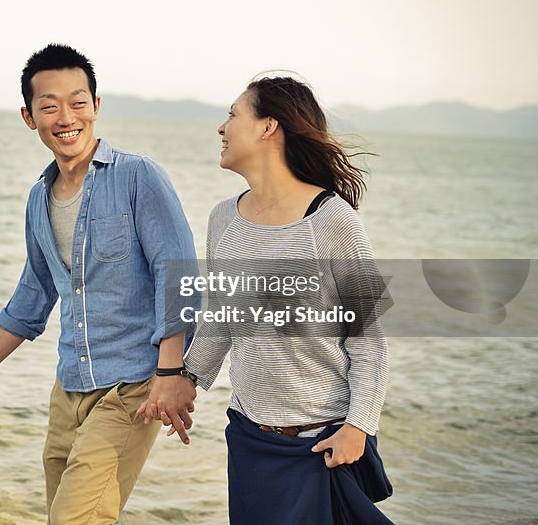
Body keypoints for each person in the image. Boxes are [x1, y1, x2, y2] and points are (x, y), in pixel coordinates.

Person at [0, 43, 199, 524]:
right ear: (29, 116)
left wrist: (170, 374)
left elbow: (179, 275)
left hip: (132, 385)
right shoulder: (38, 198)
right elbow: (35, 292)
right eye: (49, 105)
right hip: (69, 388)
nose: (67, 117)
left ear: (96, 107)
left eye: (78, 102)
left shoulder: (138, 177)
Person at [142, 75, 393, 524]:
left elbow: (369, 339)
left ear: (268, 127)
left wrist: (359, 426)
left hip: (321, 444)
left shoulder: (333, 220)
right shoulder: (224, 219)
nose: (222, 128)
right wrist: (188, 377)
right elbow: (221, 318)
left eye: (233, 114)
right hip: (249, 439)